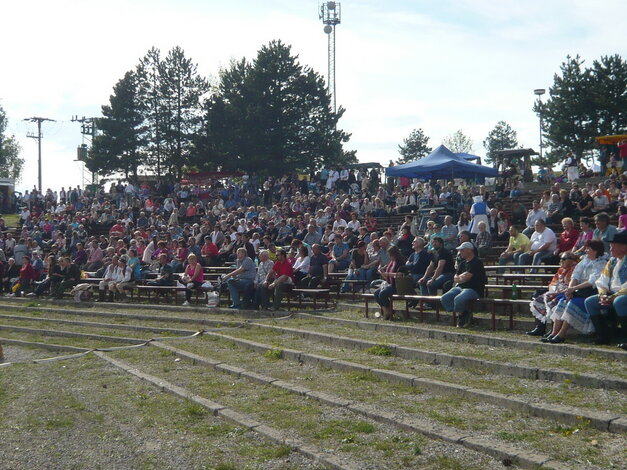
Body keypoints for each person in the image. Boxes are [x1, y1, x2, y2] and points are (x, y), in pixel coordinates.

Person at [543, 241, 608, 343]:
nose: (585, 251)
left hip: (592, 291)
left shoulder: (601, 263)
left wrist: (573, 289)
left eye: (588, 249)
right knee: (563, 301)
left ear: (595, 250)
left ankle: (562, 334)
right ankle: (554, 332)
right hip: (579, 290)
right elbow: (575, 275)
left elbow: (592, 281)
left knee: (572, 303)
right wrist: (570, 290)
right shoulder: (585, 261)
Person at [584, 231, 627, 347]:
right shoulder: (612, 261)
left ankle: (625, 337)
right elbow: (602, 280)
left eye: (613, 246)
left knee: (619, 302)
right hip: (612, 293)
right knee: (590, 302)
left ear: (624, 247)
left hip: (623, 294)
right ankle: (603, 335)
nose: (610, 248)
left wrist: (614, 296)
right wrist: (603, 294)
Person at [527, 252, 578, 336]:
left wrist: (558, 291)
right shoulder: (561, 269)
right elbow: (553, 282)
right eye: (561, 259)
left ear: (571, 260)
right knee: (537, 295)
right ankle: (540, 327)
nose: (561, 261)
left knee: (553, 302)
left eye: (564, 259)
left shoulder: (575, 269)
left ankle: (553, 330)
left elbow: (572, 284)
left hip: (567, 292)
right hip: (556, 291)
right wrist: (553, 290)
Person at [440, 241, 487, 328]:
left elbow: (468, 276)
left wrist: (461, 277)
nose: (460, 252)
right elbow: (456, 277)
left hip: (473, 289)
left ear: (469, 250)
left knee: (459, 299)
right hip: (460, 287)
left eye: (462, 250)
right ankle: (464, 312)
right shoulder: (462, 263)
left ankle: (462, 315)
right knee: (444, 298)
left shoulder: (477, 262)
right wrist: (462, 277)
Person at [373, 246, 405, 320]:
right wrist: (382, 271)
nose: (389, 256)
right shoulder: (391, 262)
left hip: (397, 285)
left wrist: (387, 274)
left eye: (390, 255)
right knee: (376, 293)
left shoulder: (400, 261)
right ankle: (386, 311)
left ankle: (389, 311)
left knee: (383, 293)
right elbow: (387, 274)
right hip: (389, 283)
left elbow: (400, 274)